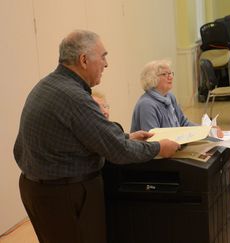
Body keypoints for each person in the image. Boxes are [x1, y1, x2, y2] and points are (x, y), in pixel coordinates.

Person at [14, 30, 180, 243]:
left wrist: (126, 136)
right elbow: (118, 151)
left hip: (38, 189)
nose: (106, 64)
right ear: (83, 60)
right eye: (103, 56)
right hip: (66, 194)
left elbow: (88, 134)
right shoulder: (75, 98)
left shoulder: (47, 86)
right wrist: (159, 147)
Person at [130, 59, 223, 137]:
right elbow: (152, 140)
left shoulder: (169, 96)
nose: (170, 77)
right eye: (165, 74)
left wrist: (206, 130)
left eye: (170, 73)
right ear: (152, 78)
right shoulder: (146, 105)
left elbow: (183, 123)